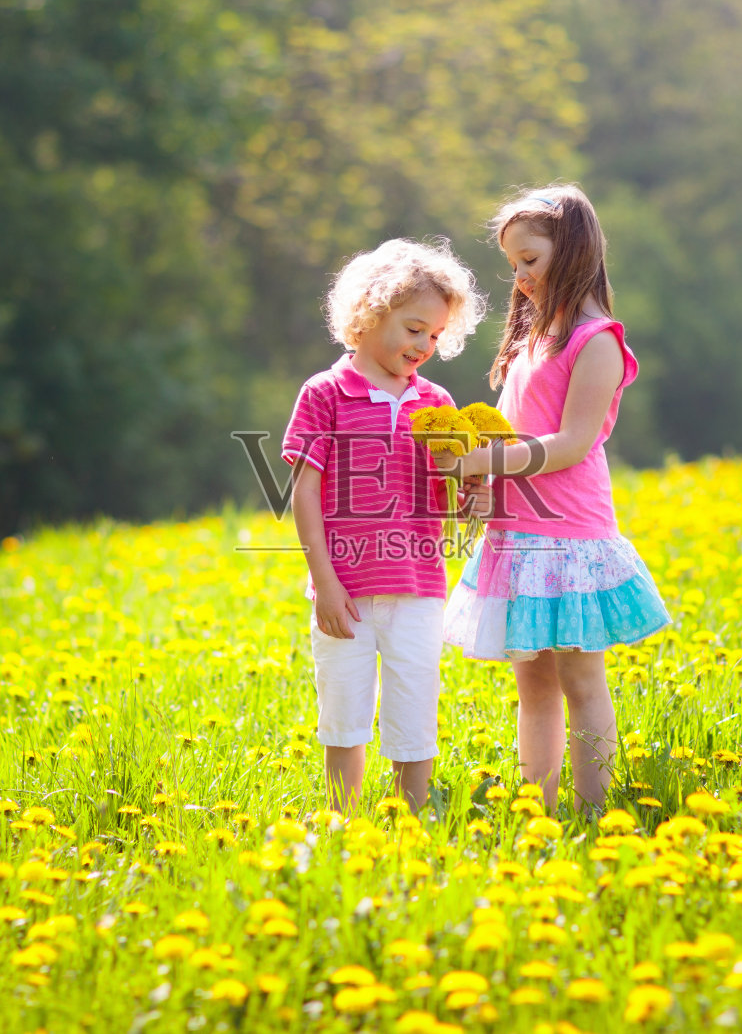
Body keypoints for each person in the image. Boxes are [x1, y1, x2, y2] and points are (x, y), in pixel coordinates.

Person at [439, 185, 669, 814]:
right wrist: (482, 480)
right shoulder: (532, 341)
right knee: (532, 683)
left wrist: (484, 460)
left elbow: (569, 444)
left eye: (531, 261)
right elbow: (514, 438)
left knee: (579, 679)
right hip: (517, 534)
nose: (520, 278)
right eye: (513, 264)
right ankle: (536, 808)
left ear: (572, 251)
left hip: (569, 534)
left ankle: (594, 812)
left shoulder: (596, 341)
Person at [281, 238, 487, 814]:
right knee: (344, 711)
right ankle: (344, 823)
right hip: (343, 588)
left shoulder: (437, 402)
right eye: (415, 328)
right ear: (370, 314)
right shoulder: (325, 393)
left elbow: (451, 491)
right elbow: (305, 492)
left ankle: (410, 821)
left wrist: (473, 491)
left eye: (436, 336)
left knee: (414, 706)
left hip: (419, 585)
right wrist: (324, 581)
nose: (425, 345)